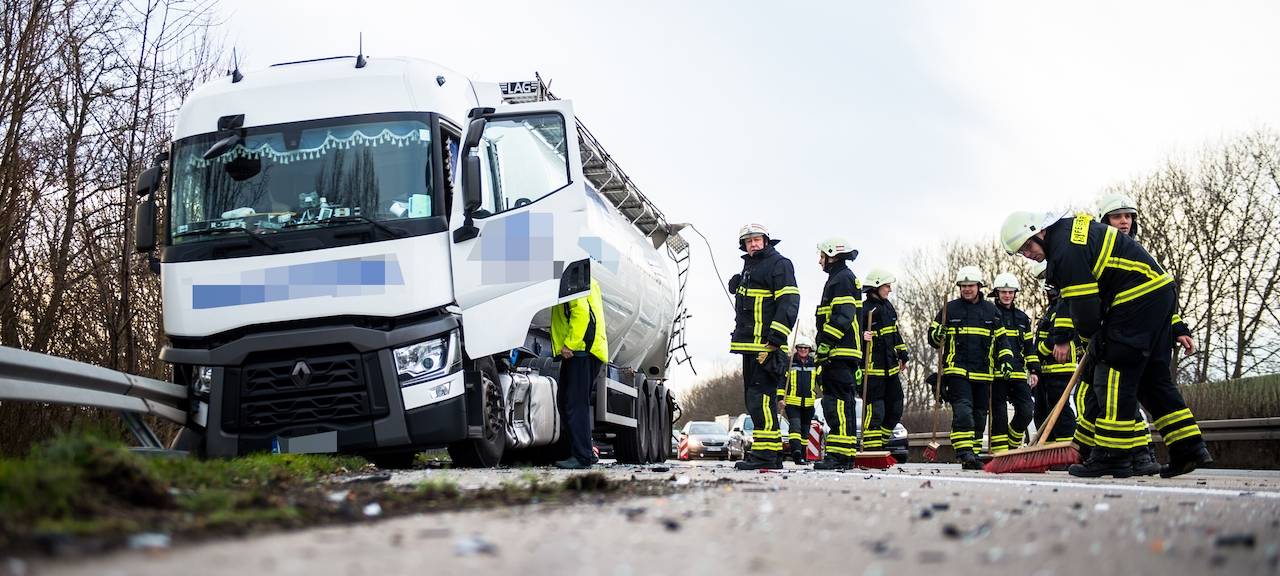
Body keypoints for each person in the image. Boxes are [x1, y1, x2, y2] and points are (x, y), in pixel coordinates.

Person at [1001, 211, 1212, 478]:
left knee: (1111, 373)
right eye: (1021, 252)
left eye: (1028, 246)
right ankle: (1189, 448)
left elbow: (1085, 307)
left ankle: (1112, 457)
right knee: (1153, 380)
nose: (1027, 254)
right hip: (1156, 296)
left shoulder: (1065, 252)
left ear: (1040, 232)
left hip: (1135, 300)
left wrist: (1094, 342)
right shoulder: (1069, 236)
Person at [728, 223, 799, 470]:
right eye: (748, 242)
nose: (753, 244)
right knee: (755, 400)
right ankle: (768, 453)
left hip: (766, 346)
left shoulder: (779, 264)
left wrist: (777, 336)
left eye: (757, 240)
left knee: (761, 400)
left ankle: (766, 456)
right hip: (750, 345)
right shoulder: (751, 267)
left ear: (766, 241)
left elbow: (789, 301)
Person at [928, 265, 1000, 470]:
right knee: (963, 412)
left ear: (979, 286)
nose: (967, 289)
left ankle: (974, 453)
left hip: (983, 373)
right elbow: (932, 338)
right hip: (957, 371)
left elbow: (1001, 340)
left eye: (970, 285)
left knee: (979, 415)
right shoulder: (949, 309)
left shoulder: (991, 311)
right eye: (963, 286)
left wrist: (1004, 360)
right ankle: (964, 452)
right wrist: (937, 334)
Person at [812, 237, 863, 470]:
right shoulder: (842, 278)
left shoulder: (841, 280)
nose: (820, 260)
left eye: (822, 256)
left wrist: (825, 344)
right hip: (843, 351)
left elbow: (842, 316)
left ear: (832, 255)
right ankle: (846, 454)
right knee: (844, 403)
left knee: (837, 405)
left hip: (838, 351)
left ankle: (839, 456)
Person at [551, 278, 609, 469]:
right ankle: (585, 452)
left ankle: (582, 457)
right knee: (568, 401)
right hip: (584, 350)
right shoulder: (582, 276)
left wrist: (570, 343)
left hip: (581, 351)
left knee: (574, 403)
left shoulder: (571, 276)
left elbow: (581, 312)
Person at [1028, 263, 1081, 448]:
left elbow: (1055, 337)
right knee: (1044, 412)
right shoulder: (1051, 309)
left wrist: (1038, 354)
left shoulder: (1063, 307)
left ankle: (1065, 451)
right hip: (1046, 370)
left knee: (1061, 412)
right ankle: (1047, 450)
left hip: (1059, 367)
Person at [859, 268, 908, 452]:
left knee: (896, 407)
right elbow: (852, 333)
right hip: (872, 371)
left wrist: (903, 355)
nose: (889, 290)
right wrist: (862, 335)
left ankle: (881, 441)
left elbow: (894, 334)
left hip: (890, 368)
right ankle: (872, 449)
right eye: (887, 286)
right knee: (876, 410)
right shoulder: (863, 310)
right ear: (876, 286)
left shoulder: (888, 307)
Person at [988, 272, 1038, 454]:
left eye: (1010, 292)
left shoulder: (1023, 318)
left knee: (1026, 411)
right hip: (996, 374)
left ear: (1015, 293)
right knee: (999, 415)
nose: (1007, 295)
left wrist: (1034, 370)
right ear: (997, 293)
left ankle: (1012, 445)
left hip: (1018, 373)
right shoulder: (989, 314)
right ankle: (1001, 454)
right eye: (1003, 292)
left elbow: (1029, 347)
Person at [778, 342, 818, 465]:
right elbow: (782, 381)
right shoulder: (790, 363)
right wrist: (780, 397)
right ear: (797, 349)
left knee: (805, 432)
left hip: (809, 404)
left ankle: (803, 455)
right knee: (795, 428)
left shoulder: (814, 364)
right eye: (800, 348)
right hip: (792, 403)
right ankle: (796, 452)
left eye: (805, 348)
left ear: (809, 349)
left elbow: (820, 379)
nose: (803, 350)